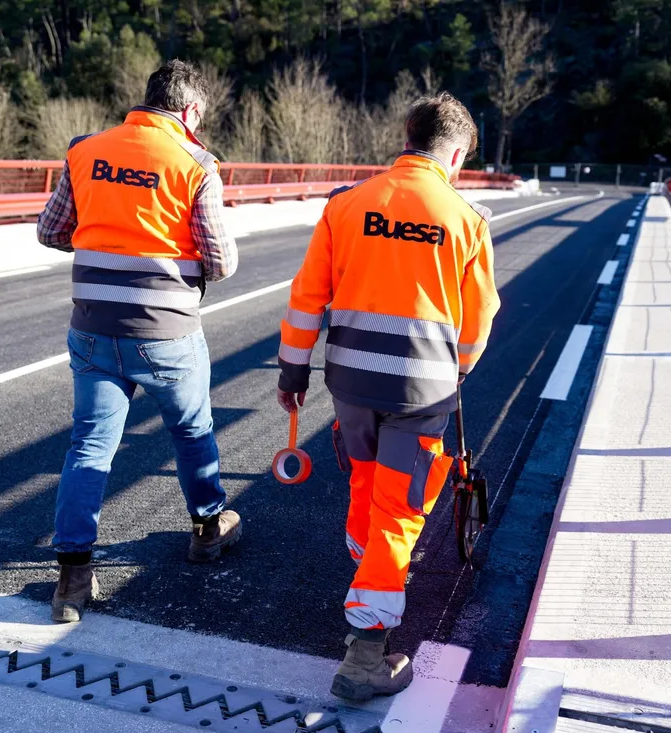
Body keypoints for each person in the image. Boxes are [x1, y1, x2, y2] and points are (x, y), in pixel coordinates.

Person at [275, 92, 500, 700]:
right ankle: (366, 655)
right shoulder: (466, 220)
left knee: (364, 482)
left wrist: (292, 373)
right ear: (454, 155)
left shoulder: (346, 206)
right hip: (421, 391)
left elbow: (306, 297)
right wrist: (457, 374)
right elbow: (479, 321)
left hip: (348, 383)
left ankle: (365, 574)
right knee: (400, 511)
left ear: (406, 137)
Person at [37, 59, 241, 624]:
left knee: (89, 445)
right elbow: (220, 261)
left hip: (94, 328)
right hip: (165, 332)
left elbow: (52, 230)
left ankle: (73, 579)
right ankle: (207, 528)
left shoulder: (85, 150)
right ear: (191, 110)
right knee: (191, 429)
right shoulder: (197, 164)